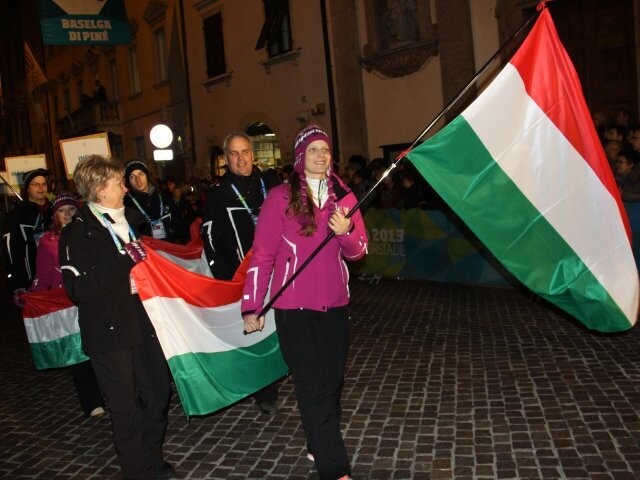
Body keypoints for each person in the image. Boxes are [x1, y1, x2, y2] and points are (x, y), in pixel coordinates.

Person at [241, 125, 368, 480]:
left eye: (325, 150)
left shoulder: (344, 197)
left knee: (331, 383)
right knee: (312, 384)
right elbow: (262, 256)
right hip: (293, 307)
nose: (320, 155)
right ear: (300, 156)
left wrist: (347, 232)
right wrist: (252, 305)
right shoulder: (280, 198)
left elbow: (359, 252)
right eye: (312, 149)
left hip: (335, 304)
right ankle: (334, 467)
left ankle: (317, 440)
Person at [59, 155, 173, 480]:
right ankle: (139, 471)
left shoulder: (128, 219)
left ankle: (151, 455)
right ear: (98, 189)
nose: (125, 187)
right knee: (125, 408)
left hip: (141, 320)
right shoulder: (78, 233)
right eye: (117, 183)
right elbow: (77, 287)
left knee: (158, 392)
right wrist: (123, 259)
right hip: (108, 331)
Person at [201, 131, 281, 415]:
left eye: (244, 151)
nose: (240, 158)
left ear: (252, 153)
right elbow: (209, 237)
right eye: (233, 154)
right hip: (241, 276)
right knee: (253, 332)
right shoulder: (219, 192)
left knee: (274, 330)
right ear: (226, 159)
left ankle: (273, 378)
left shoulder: (270, 184)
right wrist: (224, 276)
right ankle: (263, 390)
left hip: (275, 271)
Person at [29, 191, 106, 418]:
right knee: (78, 354)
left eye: (71, 209)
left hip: (89, 298)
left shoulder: (89, 234)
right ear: (55, 215)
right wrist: (32, 295)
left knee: (98, 347)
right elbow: (42, 276)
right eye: (61, 210)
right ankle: (92, 402)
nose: (67, 214)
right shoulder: (47, 242)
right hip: (64, 304)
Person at [2, 168, 53, 305]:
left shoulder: (55, 211)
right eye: (35, 184)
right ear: (28, 189)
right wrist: (17, 284)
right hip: (31, 280)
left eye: (44, 184)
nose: (41, 188)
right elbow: (10, 251)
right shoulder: (17, 216)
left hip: (56, 280)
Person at [124, 159, 186, 244]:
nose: (137, 179)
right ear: (128, 181)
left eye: (141, 174)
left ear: (146, 176)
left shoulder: (164, 198)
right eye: (132, 176)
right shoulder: (126, 203)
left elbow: (179, 227)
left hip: (167, 249)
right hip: (146, 252)